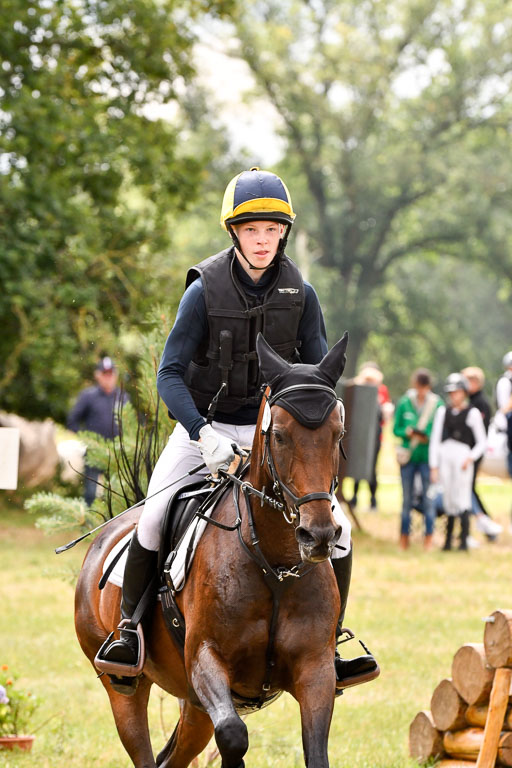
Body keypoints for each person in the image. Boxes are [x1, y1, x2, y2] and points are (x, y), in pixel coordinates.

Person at [101, 168, 378, 692]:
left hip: (270, 435)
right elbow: (169, 374)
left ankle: (332, 639)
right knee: (156, 515)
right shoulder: (203, 290)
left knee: (335, 532)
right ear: (234, 232)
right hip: (200, 429)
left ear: (283, 234)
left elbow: (317, 374)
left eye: (272, 230)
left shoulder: (303, 294)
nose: (262, 240)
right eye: (252, 230)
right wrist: (202, 432)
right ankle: (128, 630)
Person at [429, 373, 487, 551]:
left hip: (462, 456)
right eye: (452, 392)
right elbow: (435, 439)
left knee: (462, 497)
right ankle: (448, 540)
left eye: (457, 392)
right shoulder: (442, 411)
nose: (454, 395)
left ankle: (463, 539)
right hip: (446, 454)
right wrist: (434, 465)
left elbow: (482, 441)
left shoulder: (473, 413)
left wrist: (471, 457)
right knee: (448, 497)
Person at [67, 357, 128, 505]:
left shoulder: (123, 397)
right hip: (93, 452)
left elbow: (129, 424)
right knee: (90, 492)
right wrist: (86, 438)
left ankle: (112, 525)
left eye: (111, 373)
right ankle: (89, 524)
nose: (108, 377)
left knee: (115, 492)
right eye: (104, 373)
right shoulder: (88, 396)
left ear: (116, 375)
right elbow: (72, 420)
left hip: (116, 453)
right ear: (98, 375)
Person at [393, 368, 441, 550]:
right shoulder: (405, 402)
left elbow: (438, 430)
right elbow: (395, 429)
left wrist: (426, 436)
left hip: (427, 458)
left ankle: (429, 538)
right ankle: (403, 537)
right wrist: (407, 432)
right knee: (406, 500)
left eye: (424, 387)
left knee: (429, 500)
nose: (421, 391)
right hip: (408, 457)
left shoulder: (436, 404)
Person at [461, 366, 502, 542]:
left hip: (473, 452)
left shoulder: (480, 403)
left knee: (468, 489)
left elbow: (478, 433)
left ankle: (485, 524)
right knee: (468, 489)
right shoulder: (469, 401)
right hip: (466, 452)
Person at [349, 362, 393, 511]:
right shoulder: (357, 390)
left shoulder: (381, 391)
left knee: (372, 468)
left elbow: (384, 416)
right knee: (357, 467)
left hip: (375, 437)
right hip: (359, 436)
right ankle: (354, 498)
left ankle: (373, 500)